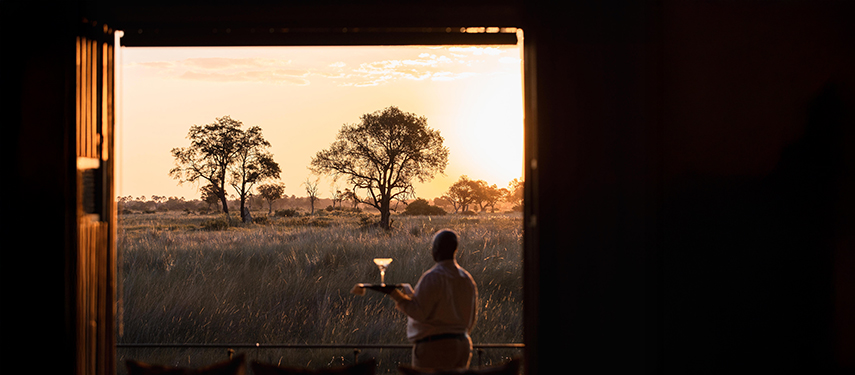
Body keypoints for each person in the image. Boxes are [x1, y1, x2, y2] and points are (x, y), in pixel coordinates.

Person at [385, 229, 479, 371]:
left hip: (434, 347)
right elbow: (471, 317)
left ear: (436, 249)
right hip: (462, 344)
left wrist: (394, 294)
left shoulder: (432, 276)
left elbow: (419, 312)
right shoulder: (466, 278)